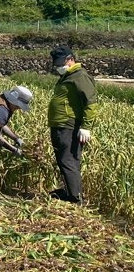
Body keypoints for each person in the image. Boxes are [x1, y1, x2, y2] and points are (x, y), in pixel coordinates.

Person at [48, 45, 98, 204]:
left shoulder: (80, 76)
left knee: (68, 161)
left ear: (70, 59)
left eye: (61, 63)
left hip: (69, 125)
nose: (58, 67)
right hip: (59, 125)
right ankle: (69, 192)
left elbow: (90, 103)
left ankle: (75, 198)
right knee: (63, 160)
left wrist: (86, 127)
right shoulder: (67, 76)